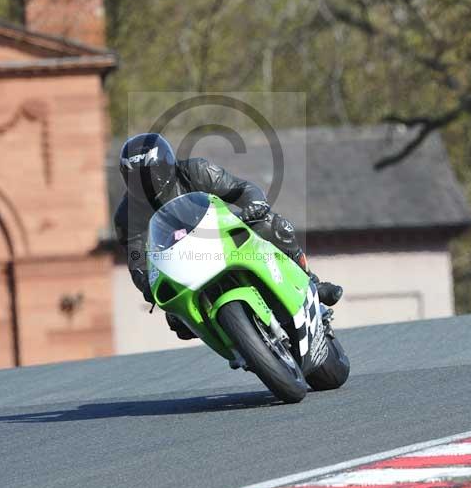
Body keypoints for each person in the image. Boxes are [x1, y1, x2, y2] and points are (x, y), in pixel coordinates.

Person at [114, 132, 349, 390]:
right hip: (179, 262)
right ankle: (241, 343)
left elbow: (240, 189)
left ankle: (311, 282)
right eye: (136, 179)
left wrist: (254, 204)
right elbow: (136, 256)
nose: (146, 184)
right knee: (176, 318)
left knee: (272, 226)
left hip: (218, 236)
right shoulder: (127, 215)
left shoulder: (196, 170)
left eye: (150, 174)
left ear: (166, 165)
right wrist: (146, 283)